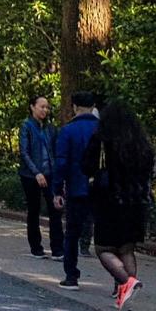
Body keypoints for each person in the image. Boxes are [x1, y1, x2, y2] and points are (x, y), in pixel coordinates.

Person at [85, 101, 156, 309]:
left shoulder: (101, 140)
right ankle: (126, 290)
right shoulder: (141, 143)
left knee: (103, 248)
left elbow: (86, 166)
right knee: (126, 248)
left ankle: (126, 282)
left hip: (109, 201)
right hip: (136, 202)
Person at [52, 91, 100, 289]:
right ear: (93, 106)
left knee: (72, 232)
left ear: (74, 107)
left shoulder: (68, 131)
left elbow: (61, 162)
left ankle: (71, 275)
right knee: (106, 235)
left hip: (76, 188)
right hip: (101, 189)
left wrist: (57, 190)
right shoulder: (103, 130)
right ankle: (117, 280)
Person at [19, 95, 63, 260]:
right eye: (41, 106)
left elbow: (56, 151)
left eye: (47, 107)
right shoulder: (27, 126)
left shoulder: (50, 128)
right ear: (32, 107)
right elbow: (24, 152)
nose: (45, 110)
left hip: (50, 173)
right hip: (30, 175)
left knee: (55, 209)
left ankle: (58, 248)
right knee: (34, 209)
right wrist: (36, 172)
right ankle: (36, 247)